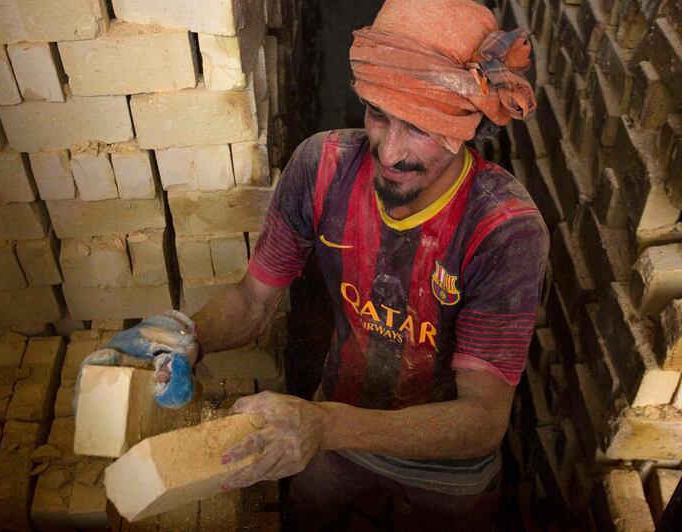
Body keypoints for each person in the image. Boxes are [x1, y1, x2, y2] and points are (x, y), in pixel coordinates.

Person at [97, 0, 548, 529]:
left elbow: (480, 420)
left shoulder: (504, 229)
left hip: (443, 465)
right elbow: (251, 302)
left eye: (420, 129)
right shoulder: (322, 166)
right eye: (379, 115)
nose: (389, 150)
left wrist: (324, 425)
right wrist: (188, 338)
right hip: (334, 416)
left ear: (464, 129)